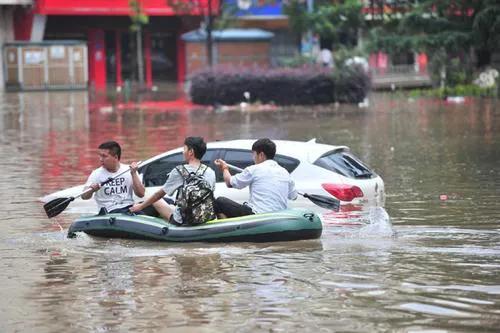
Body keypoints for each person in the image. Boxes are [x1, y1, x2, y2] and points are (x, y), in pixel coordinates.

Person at [130, 137, 216, 225]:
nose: (183, 152)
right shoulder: (211, 172)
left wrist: (140, 206)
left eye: (184, 149)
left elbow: (159, 194)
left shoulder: (179, 171)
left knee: (153, 198)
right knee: (172, 206)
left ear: (191, 152)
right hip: (204, 217)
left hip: (182, 220)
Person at [214, 138, 297, 218]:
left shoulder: (254, 169)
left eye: (253, 154)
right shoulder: (285, 172)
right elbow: (293, 196)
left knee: (220, 201)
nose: (253, 158)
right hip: (278, 216)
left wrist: (224, 168)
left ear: (261, 155)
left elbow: (229, 183)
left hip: (257, 215)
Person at [82, 141, 145, 214]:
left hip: (129, 208)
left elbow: (141, 194)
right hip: (110, 211)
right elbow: (84, 196)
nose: (101, 159)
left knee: (156, 202)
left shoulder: (129, 170)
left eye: (104, 156)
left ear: (115, 157)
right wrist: (91, 190)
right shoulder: (96, 174)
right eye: (100, 156)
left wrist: (133, 174)